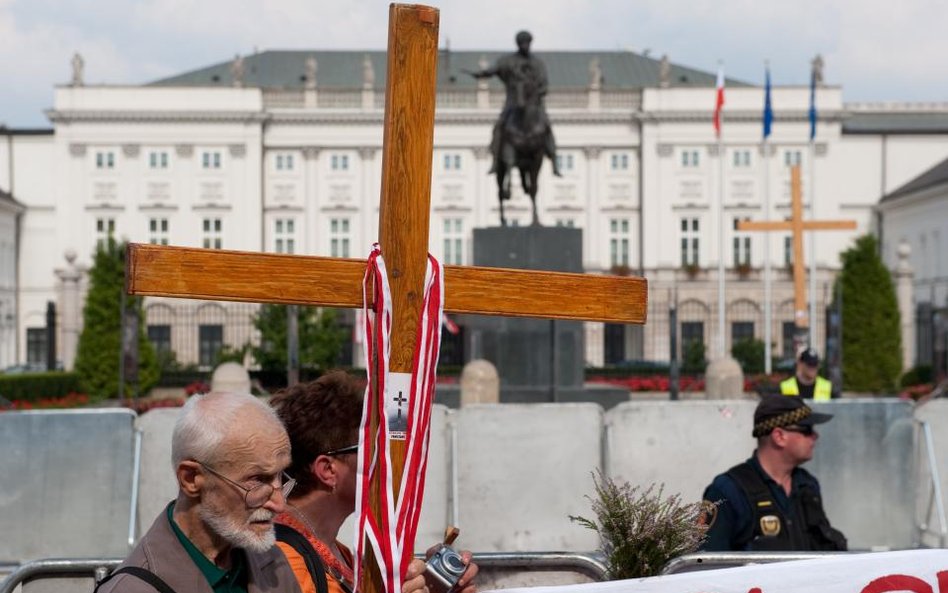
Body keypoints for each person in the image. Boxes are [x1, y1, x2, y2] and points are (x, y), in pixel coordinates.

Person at [270, 371, 479, 593]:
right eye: (374, 451)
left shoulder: (336, 553)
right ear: (328, 470)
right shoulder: (284, 559)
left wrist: (431, 585)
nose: (386, 464)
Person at [96, 391, 302, 593]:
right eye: (257, 480)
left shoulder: (274, 565)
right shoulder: (132, 588)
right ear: (191, 478)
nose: (279, 503)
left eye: (281, 476)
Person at [699, 394, 847, 551]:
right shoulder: (727, 491)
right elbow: (706, 565)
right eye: (807, 430)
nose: (815, 436)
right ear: (779, 437)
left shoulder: (807, 484)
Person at [469, 30, 561, 177]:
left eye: (527, 42)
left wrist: (537, 94)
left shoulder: (537, 63)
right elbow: (494, 69)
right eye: (522, 43)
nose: (525, 45)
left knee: (547, 127)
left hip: (534, 106)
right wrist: (482, 74)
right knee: (499, 127)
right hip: (512, 104)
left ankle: (554, 159)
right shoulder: (508, 61)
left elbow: (544, 85)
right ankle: (495, 161)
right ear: (518, 44)